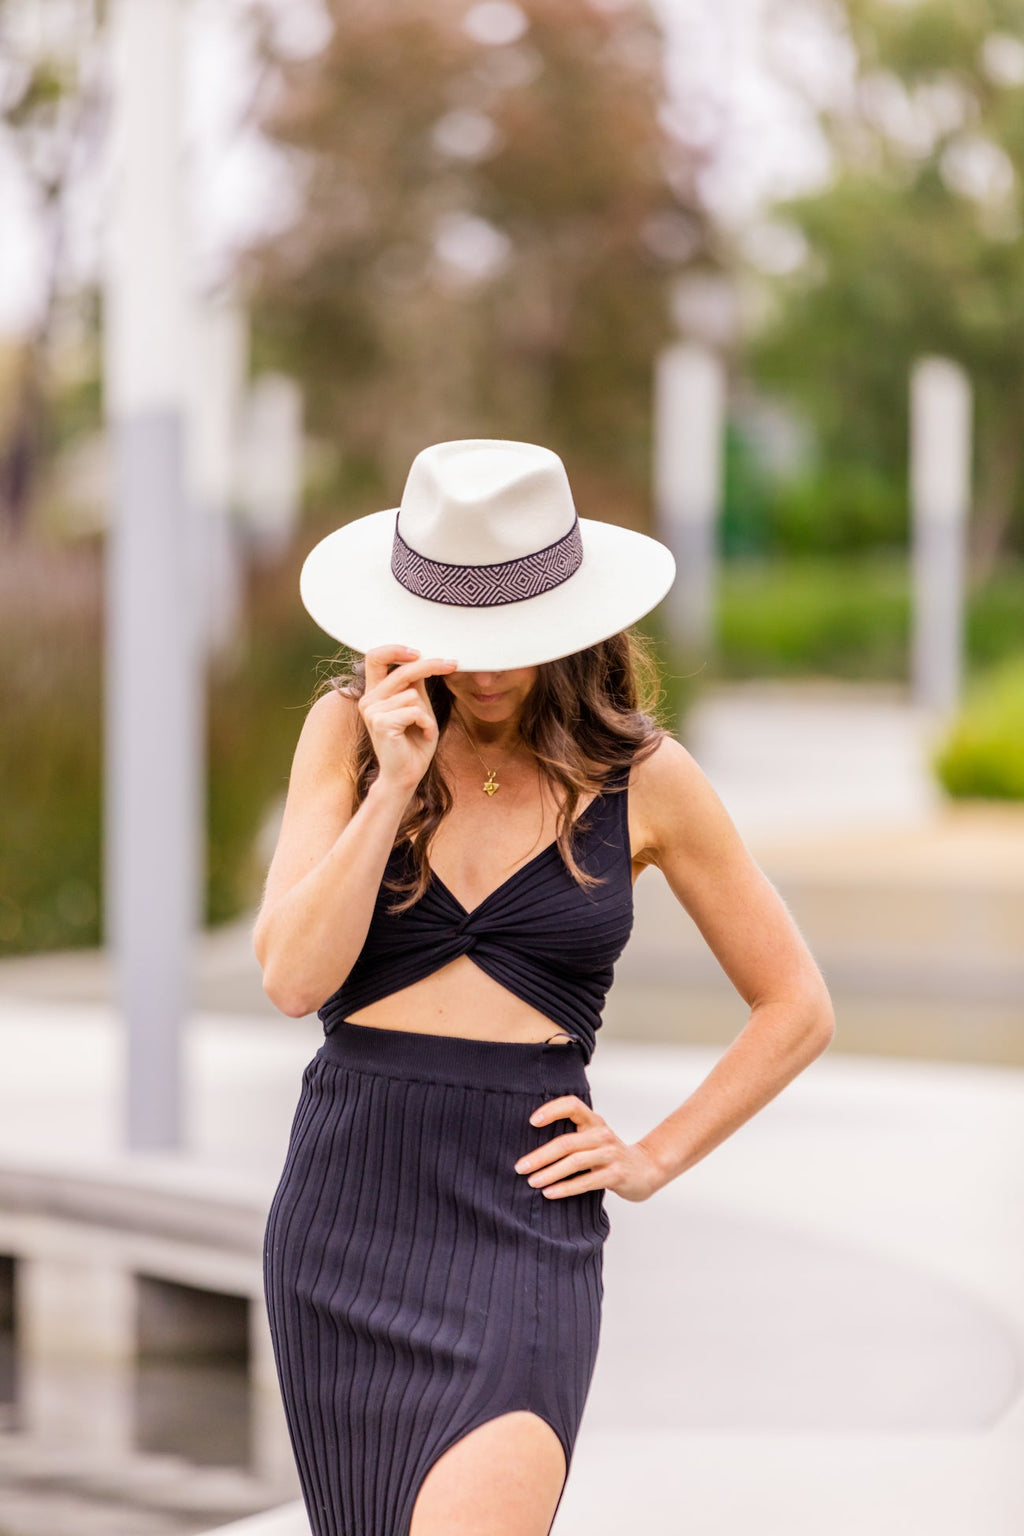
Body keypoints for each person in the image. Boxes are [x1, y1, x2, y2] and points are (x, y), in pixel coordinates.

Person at [255, 439, 835, 1536]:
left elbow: (795, 1003)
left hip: (521, 1218)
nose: (482, 671)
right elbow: (292, 979)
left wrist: (655, 1155)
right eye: (457, 638)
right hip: (346, 1210)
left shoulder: (645, 779)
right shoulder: (346, 734)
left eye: (507, 641)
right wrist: (392, 788)